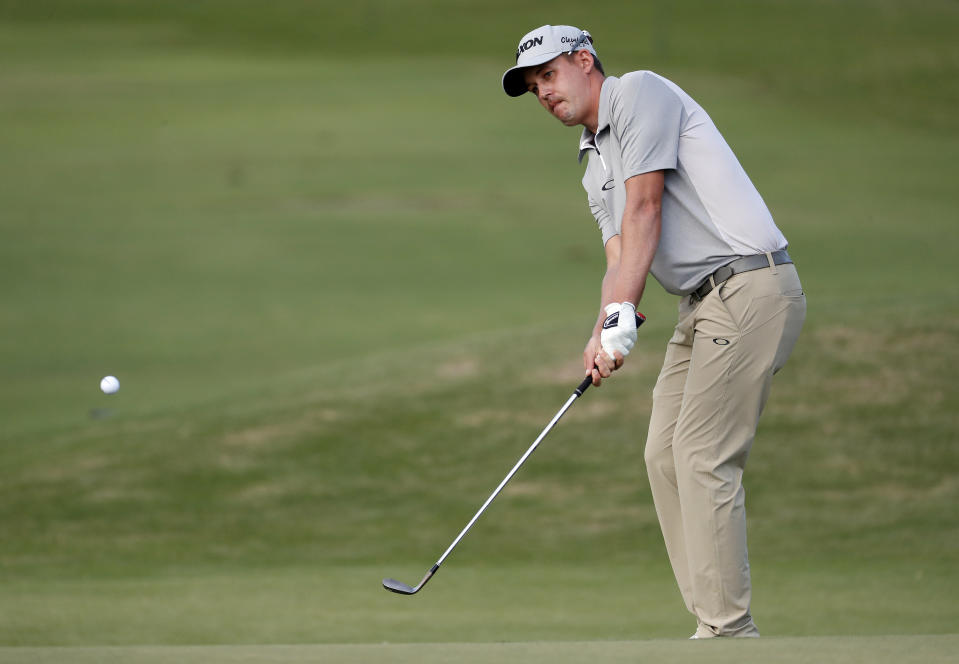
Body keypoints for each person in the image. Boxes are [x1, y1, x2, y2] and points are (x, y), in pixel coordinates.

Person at [502, 24, 806, 638]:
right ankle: (711, 622)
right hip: (699, 305)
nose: (544, 93)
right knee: (663, 454)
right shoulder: (591, 164)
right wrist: (601, 333)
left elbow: (646, 209)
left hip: (750, 285)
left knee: (700, 454)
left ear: (584, 60)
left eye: (550, 76)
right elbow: (621, 260)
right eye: (535, 87)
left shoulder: (640, 94)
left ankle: (728, 631)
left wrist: (621, 317)